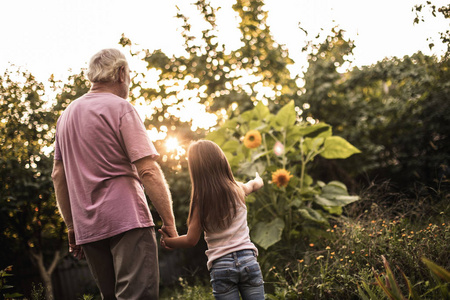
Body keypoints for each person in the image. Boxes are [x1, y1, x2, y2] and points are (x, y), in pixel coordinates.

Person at [51, 48, 177, 300]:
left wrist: (72, 227)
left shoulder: (65, 116)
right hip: (127, 220)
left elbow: (58, 175)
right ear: (121, 73)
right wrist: (170, 223)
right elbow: (148, 171)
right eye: (129, 73)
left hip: (88, 227)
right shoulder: (121, 108)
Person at [159, 140, 265, 300]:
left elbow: (190, 240)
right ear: (221, 161)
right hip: (248, 261)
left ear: (196, 170)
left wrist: (169, 241)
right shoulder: (238, 189)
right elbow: (256, 184)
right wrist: (258, 178)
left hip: (222, 266)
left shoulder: (200, 201)